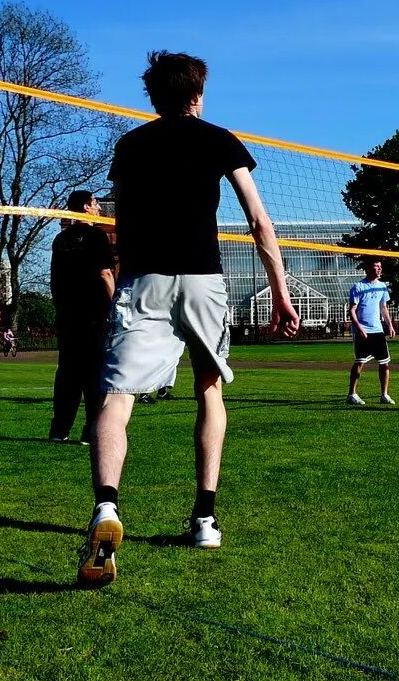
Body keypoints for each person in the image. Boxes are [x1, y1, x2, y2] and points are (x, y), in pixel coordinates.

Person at [79, 50, 299, 589]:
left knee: (116, 398)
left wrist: (122, 278)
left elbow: (119, 222)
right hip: (204, 280)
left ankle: (106, 508)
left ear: (153, 97)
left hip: (145, 280)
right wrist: (281, 292)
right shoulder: (220, 139)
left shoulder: (130, 145)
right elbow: (257, 219)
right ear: (198, 94)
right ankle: (205, 518)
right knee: (209, 392)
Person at [49, 191, 116, 444]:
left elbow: (54, 279)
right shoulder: (97, 237)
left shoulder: (60, 240)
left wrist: (60, 307)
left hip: (68, 315)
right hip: (94, 314)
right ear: (86, 206)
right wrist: (116, 305)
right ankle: (91, 430)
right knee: (94, 373)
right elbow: (105, 274)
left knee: (67, 373)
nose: (99, 207)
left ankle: (59, 430)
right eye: (96, 203)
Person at [346, 258, 397, 405]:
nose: (380, 269)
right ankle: (352, 394)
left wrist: (390, 325)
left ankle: (384, 394)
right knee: (360, 362)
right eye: (376, 267)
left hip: (378, 331)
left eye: (380, 267)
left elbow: (383, 308)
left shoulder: (382, 287)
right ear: (368, 269)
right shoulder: (358, 286)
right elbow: (352, 310)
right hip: (363, 331)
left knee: (384, 364)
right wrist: (359, 327)